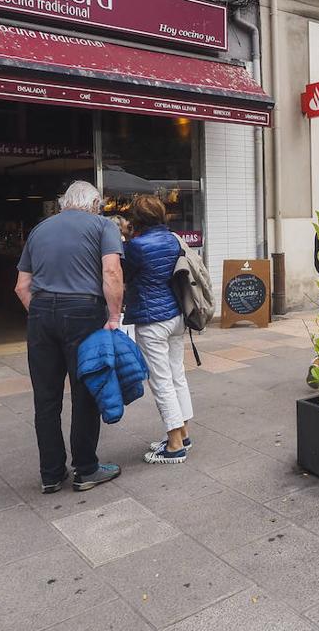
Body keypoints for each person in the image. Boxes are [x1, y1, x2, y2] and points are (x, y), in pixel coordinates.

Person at [14, 181, 124, 494]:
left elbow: (21, 286)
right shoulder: (103, 226)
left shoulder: (39, 229)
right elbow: (112, 273)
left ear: (64, 203)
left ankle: (50, 474)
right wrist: (114, 317)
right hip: (84, 312)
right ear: (96, 203)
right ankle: (86, 469)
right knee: (86, 391)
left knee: (45, 398)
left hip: (41, 312)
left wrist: (43, 313)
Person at [122, 195, 191, 466]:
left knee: (161, 381)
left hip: (152, 319)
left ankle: (174, 445)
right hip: (175, 314)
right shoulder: (173, 238)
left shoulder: (136, 246)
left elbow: (126, 275)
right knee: (177, 376)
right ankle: (183, 433)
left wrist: (126, 239)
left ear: (137, 219)